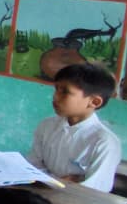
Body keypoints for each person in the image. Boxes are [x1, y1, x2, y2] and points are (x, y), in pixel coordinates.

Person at [28, 63, 121, 192]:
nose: (55, 96)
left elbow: (97, 188)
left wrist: (57, 182)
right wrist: (59, 182)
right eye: (56, 89)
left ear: (94, 102)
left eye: (65, 92)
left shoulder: (104, 142)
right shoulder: (47, 126)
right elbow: (32, 166)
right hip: (41, 193)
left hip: (79, 202)